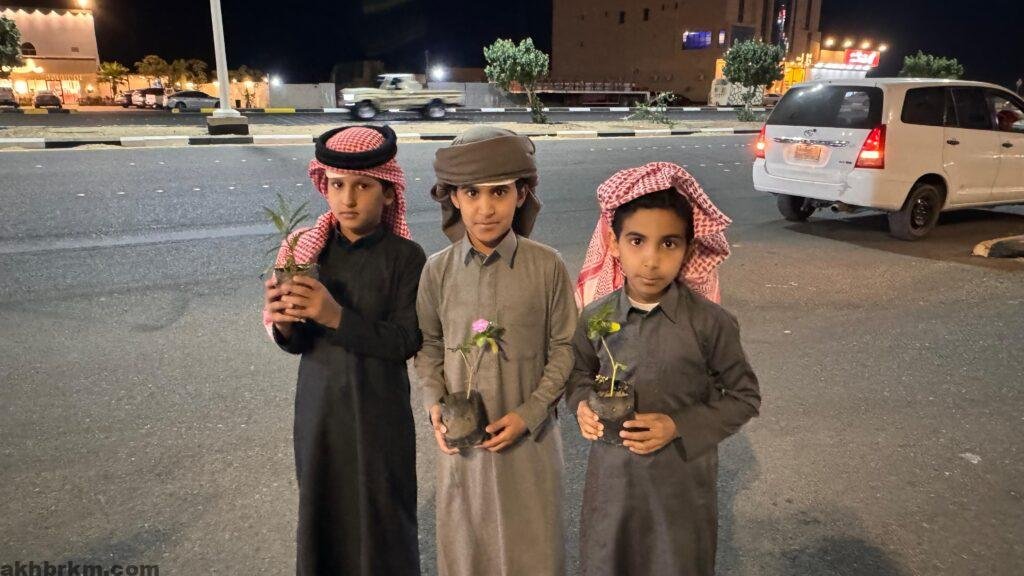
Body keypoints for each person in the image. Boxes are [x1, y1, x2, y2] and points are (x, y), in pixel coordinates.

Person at [568, 162, 762, 576]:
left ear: (689, 250)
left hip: (680, 488)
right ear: (614, 243)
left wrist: (678, 426)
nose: (651, 260)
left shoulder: (710, 323)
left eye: (669, 244)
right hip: (612, 486)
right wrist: (581, 404)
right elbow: (578, 375)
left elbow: (744, 397)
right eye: (637, 241)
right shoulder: (596, 316)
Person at [262, 125, 425, 576]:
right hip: (320, 411)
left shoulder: (406, 257)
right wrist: (284, 322)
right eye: (337, 185)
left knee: (383, 516)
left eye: (362, 186)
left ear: (388, 193)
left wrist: (335, 316)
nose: (347, 199)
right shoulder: (305, 254)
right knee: (323, 512)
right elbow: (297, 343)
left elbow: (405, 341)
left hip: (380, 415)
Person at [415, 126, 577, 576]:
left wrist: (531, 412)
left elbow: (566, 346)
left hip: (531, 443)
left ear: (521, 195)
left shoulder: (547, 266)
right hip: (462, 446)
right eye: (472, 192)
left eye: (499, 192)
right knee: (468, 550)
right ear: (454, 197)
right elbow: (428, 343)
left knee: (534, 551)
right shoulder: (437, 271)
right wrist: (433, 402)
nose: (485, 208)